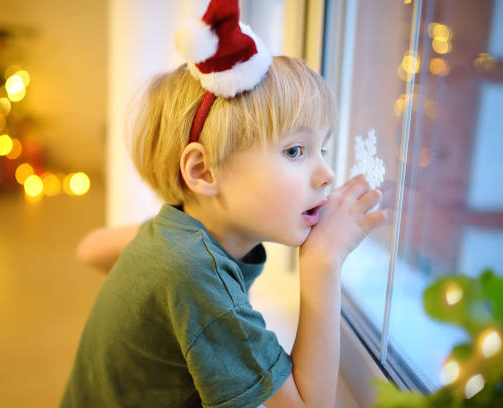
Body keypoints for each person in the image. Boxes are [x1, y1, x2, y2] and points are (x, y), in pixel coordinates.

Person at [61, 1, 387, 407]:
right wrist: (323, 264)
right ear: (203, 171)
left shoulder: (176, 238)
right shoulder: (194, 272)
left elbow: (90, 247)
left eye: (321, 148)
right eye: (295, 151)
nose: (326, 174)